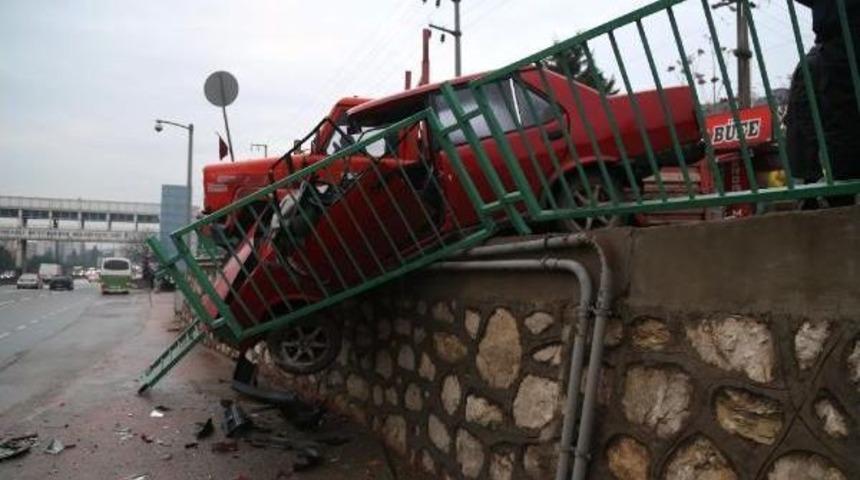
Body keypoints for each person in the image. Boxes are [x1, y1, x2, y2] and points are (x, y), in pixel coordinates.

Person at [786, 0, 860, 206]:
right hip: (812, 160)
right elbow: (804, 119)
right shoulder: (814, 65)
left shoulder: (816, 63)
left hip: (817, 156)